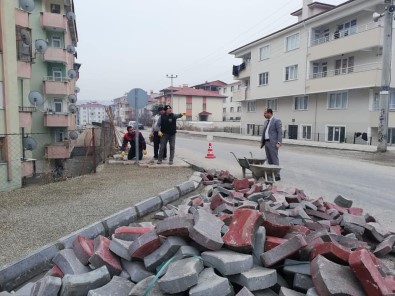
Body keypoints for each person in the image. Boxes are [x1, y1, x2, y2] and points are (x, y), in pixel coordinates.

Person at [260, 108, 283, 180]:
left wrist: (279, 143)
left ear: (270, 113)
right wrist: (262, 142)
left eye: (265, 113)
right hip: (266, 142)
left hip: (273, 143)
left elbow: (280, 132)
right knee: (269, 159)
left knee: (274, 159)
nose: (264, 115)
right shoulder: (266, 122)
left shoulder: (276, 121)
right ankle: (270, 174)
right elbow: (264, 132)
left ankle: (277, 175)